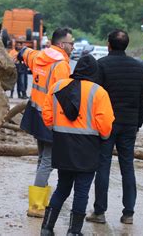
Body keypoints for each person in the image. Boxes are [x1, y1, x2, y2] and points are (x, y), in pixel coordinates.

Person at [40, 54, 114, 236]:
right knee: (82, 191)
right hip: (87, 149)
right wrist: (103, 137)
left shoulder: (57, 87)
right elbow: (105, 126)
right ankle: (73, 232)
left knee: (62, 187)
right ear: (94, 71)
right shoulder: (99, 92)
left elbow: (47, 116)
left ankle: (46, 227)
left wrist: (58, 128)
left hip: (62, 146)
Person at [86, 29, 143, 225]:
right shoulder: (138, 67)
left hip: (106, 124)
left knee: (102, 165)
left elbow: (94, 96)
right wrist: (138, 123)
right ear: (126, 45)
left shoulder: (101, 65)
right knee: (127, 167)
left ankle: (99, 211)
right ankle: (128, 213)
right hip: (129, 124)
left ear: (108, 45)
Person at [17, 27, 73, 217]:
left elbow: (26, 54)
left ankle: (39, 201)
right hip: (50, 117)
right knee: (47, 161)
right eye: (71, 43)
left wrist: (21, 51)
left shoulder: (40, 56)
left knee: (42, 159)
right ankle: (37, 206)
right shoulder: (61, 65)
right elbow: (63, 95)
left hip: (35, 113)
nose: (73, 46)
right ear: (61, 44)